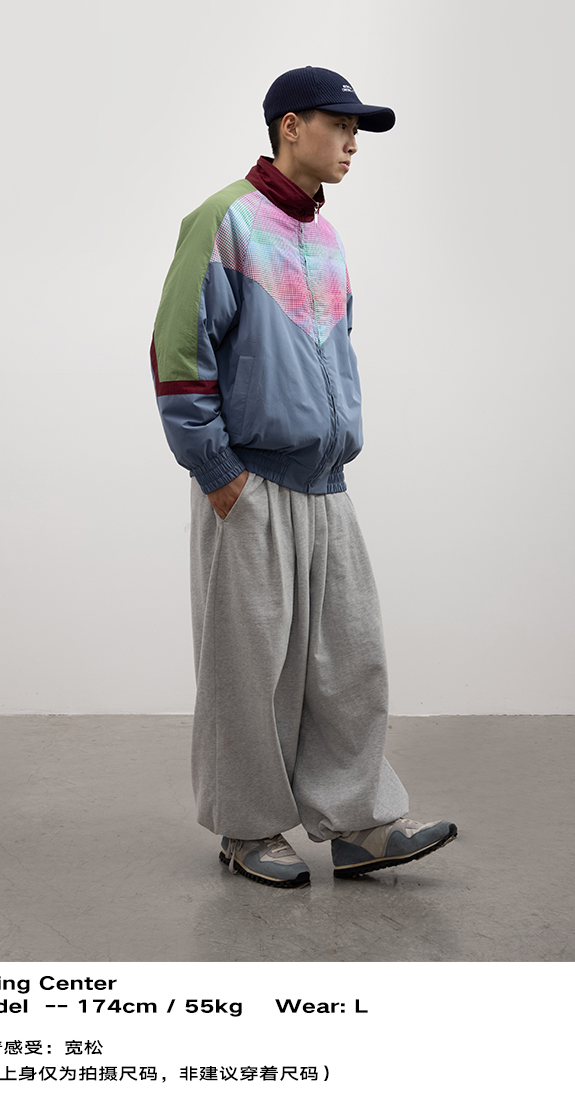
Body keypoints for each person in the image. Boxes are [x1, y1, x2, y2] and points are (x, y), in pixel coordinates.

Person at [150, 66, 457, 888]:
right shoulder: (223, 221)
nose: (353, 142)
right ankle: (248, 829)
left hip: (326, 484)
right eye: (340, 125)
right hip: (248, 480)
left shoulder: (325, 237)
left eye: (358, 129)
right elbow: (177, 351)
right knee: (249, 670)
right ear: (291, 126)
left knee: (350, 661)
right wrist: (218, 472)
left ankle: (360, 823)